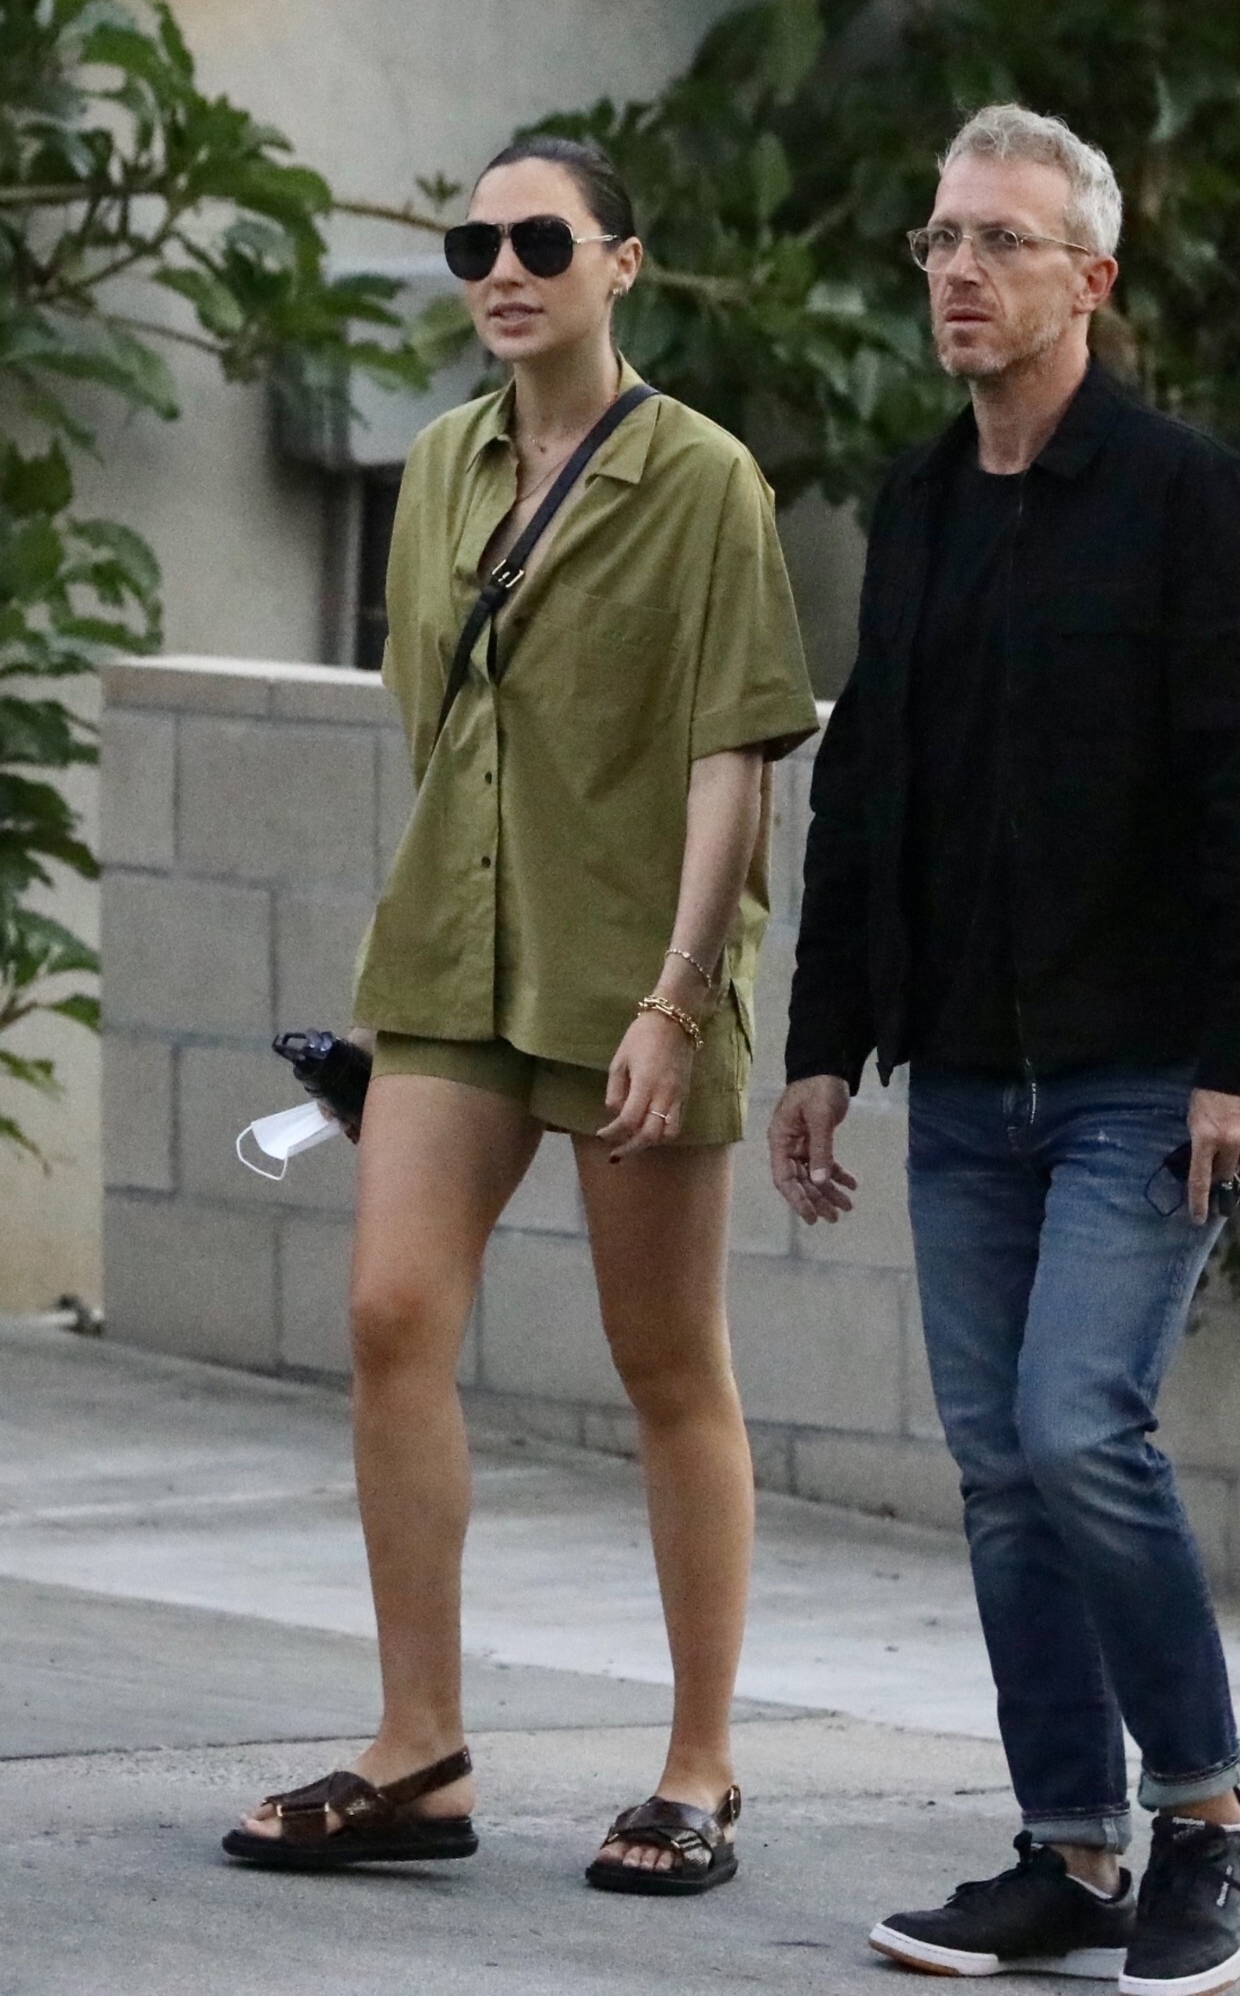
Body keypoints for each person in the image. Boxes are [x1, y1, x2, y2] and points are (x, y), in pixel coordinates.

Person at [769, 105, 1240, 1991]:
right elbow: (871, 788)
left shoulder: (1185, 499)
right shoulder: (922, 502)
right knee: (1003, 1468)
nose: (960, 271)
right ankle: (1071, 1851)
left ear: (1090, 279)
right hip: (964, 1089)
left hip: (1141, 1078)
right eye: (941, 239)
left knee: (1084, 1431)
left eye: (1001, 241)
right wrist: (826, 1041)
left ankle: (1210, 1817)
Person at [225, 134, 817, 1892]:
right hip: (450, 962)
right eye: (475, 241)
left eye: (541, 240)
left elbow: (736, 757)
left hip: (633, 969)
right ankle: (419, 1750)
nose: (503, 267)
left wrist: (678, 996)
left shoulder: (704, 480)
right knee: (392, 1314)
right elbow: (440, 726)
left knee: (664, 1359)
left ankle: (700, 1769)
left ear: (620, 263)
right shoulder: (437, 468)